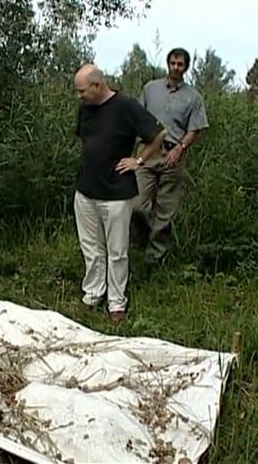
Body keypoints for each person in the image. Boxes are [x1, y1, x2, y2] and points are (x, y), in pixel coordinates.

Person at [73, 64, 166, 322]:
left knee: (117, 251)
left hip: (116, 193)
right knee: (91, 247)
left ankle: (116, 303)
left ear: (97, 85)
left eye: (82, 91)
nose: (79, 96)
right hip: (86, 190)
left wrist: (138, 160)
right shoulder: (85, 109)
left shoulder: (125, 106)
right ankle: (93, 294)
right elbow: (84, 139)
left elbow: (157, 134)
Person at [134, 48, 209, 265]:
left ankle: (154, 260)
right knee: (137, 205)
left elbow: (195, 128)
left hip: (173, 153)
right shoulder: (150, 89)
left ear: (186, 67)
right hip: (148, 151)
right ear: (168, 63)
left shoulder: (193, 97)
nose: (176, 68)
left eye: (181, 64)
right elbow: (139, 117)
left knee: (165, 211)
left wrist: (180, 148)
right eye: (173, 63)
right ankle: (143, 240)